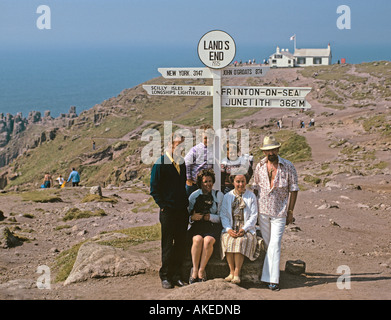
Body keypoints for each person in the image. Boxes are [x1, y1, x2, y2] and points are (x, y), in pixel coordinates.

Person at [253, 135, 299, 291]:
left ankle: (273, 280)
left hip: (280, 212)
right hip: (263, 211)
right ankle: (268, 277)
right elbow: (255, 188)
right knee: (268, 245)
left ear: (278, 149)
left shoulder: (288, 166)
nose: (270, 153)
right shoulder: (259, 166)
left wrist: (290, 211)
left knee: (275, 244)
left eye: (272, 149)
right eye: (267, 150)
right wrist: (254, 212)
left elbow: (294, 189)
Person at [150, 132, 189, 289]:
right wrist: (163, 205)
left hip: (181, 210)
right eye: (177, 144)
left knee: (180, 243)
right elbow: (154, 188)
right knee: (167, 244)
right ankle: (165, 276)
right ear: (170, 144)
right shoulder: (160, 164)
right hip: (168, 211)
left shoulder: (182, 163)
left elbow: (182, 186)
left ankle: (177, 275)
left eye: (182, 145)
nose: (180, 147)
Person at [220, 172, 261, 285]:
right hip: (231, 227)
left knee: (241, 240)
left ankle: (237, 272)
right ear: (233, 182)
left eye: (243, 181)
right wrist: (228, 229)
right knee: (227, 239)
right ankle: (231, 271)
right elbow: (223, 215)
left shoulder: (251, 196)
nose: (240, 184)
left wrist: (244, 228)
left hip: (246, 228)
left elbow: (254, 215)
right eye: (238, 181)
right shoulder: (228, 196)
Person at [188, 169, 223, 283]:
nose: (208, 184)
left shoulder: (218, 195)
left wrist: (211, 217)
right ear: (200, 183)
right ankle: (194, 269)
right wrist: (192, 218)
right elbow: (187, 213)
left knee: (208, 240)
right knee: (197, 240)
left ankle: (201, 270)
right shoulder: (194, 196)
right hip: (198, 225)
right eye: (205, 181)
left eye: (210, 181)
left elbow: (222, 216)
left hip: (212, 225)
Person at [184, 124, 214, 197]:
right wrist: (188, 179)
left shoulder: (213, 149)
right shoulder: (196, 149)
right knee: (190, 202)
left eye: (210, 137)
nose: (208, 140)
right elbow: (187, 163)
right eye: (205, 138)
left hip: (205, 183)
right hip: (194, 183)